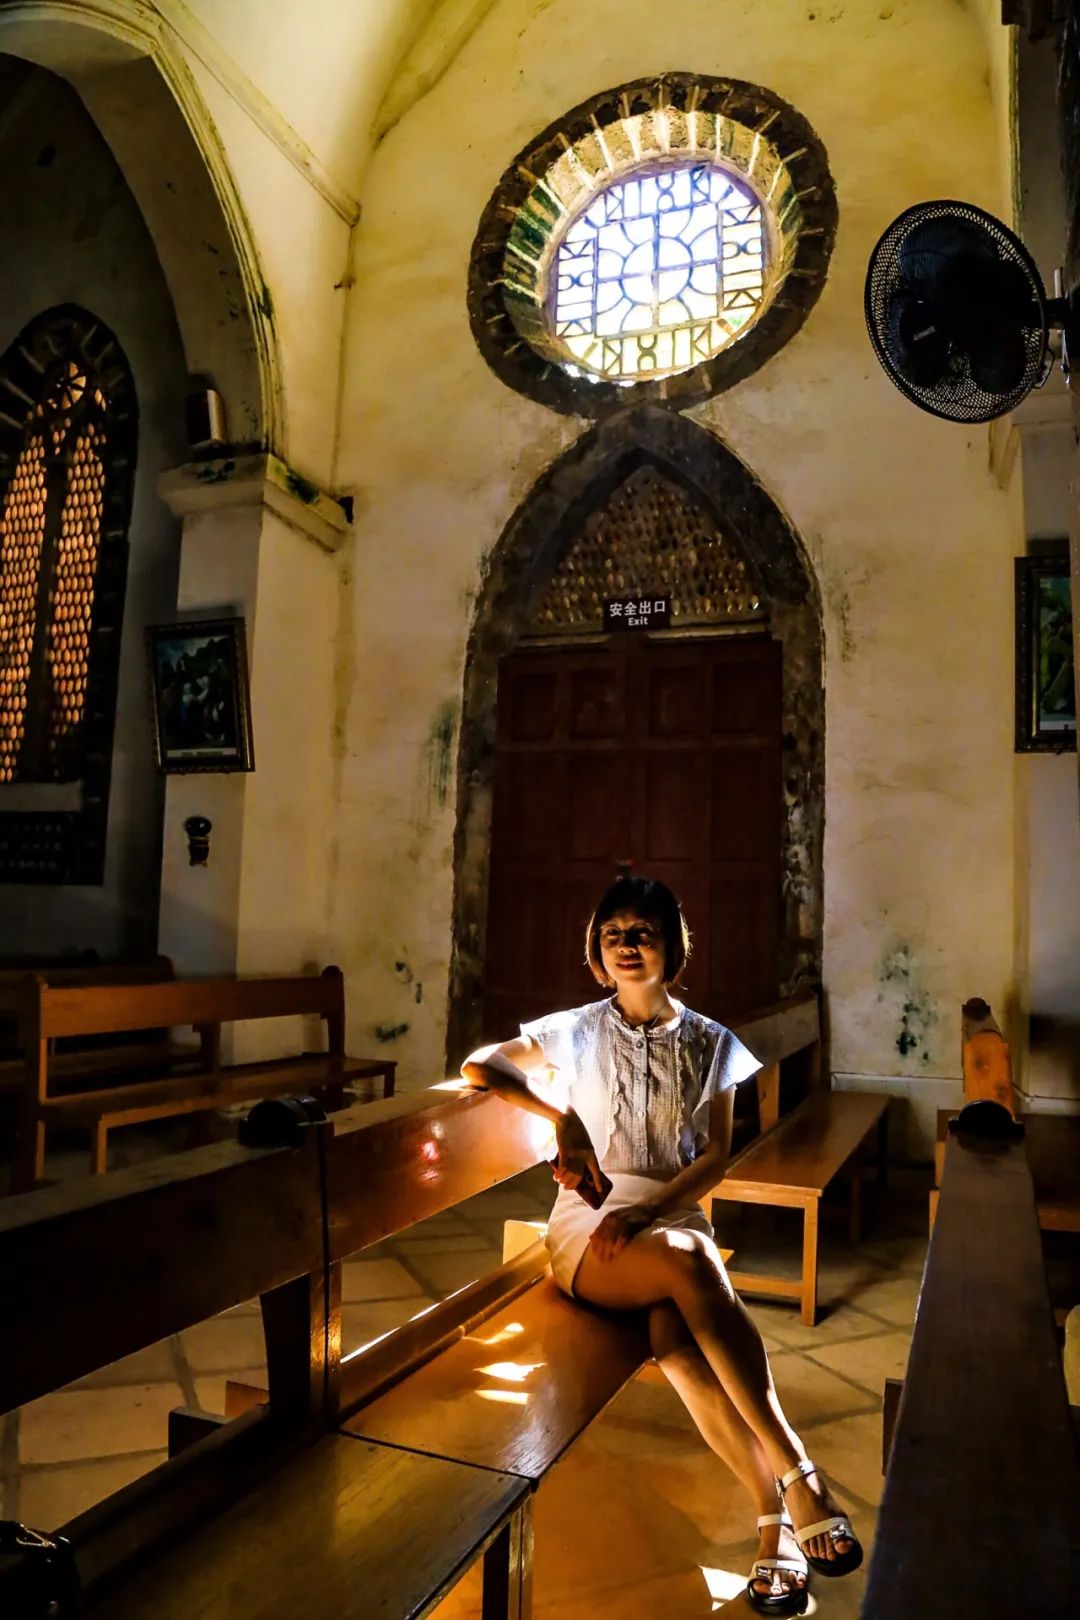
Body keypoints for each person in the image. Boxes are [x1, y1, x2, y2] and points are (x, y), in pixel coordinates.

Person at [462, 874, 862, 1616]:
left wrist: (651, 1212)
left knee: (676, 1340)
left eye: (643, 932)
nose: (627, 946)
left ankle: (773, 1523)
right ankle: (799, 1471)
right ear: (597, 950)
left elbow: (715, 1158)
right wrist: (562, 1119)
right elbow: (482, 1064)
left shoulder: (713, 1042)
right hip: (592, 1225)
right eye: (612, 934)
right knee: (693, 1263)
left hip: (671, 1215)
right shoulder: (575, 1029)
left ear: (672, 947)